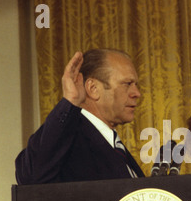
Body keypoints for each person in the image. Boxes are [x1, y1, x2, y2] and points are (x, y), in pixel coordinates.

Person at [15, 49, 145, 185]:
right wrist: (70, 102)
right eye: (127, 84)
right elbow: (31, 176)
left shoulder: (115, 146)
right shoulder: (71, 138)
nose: (136, 93)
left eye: (136, 85)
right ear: (93, 88)